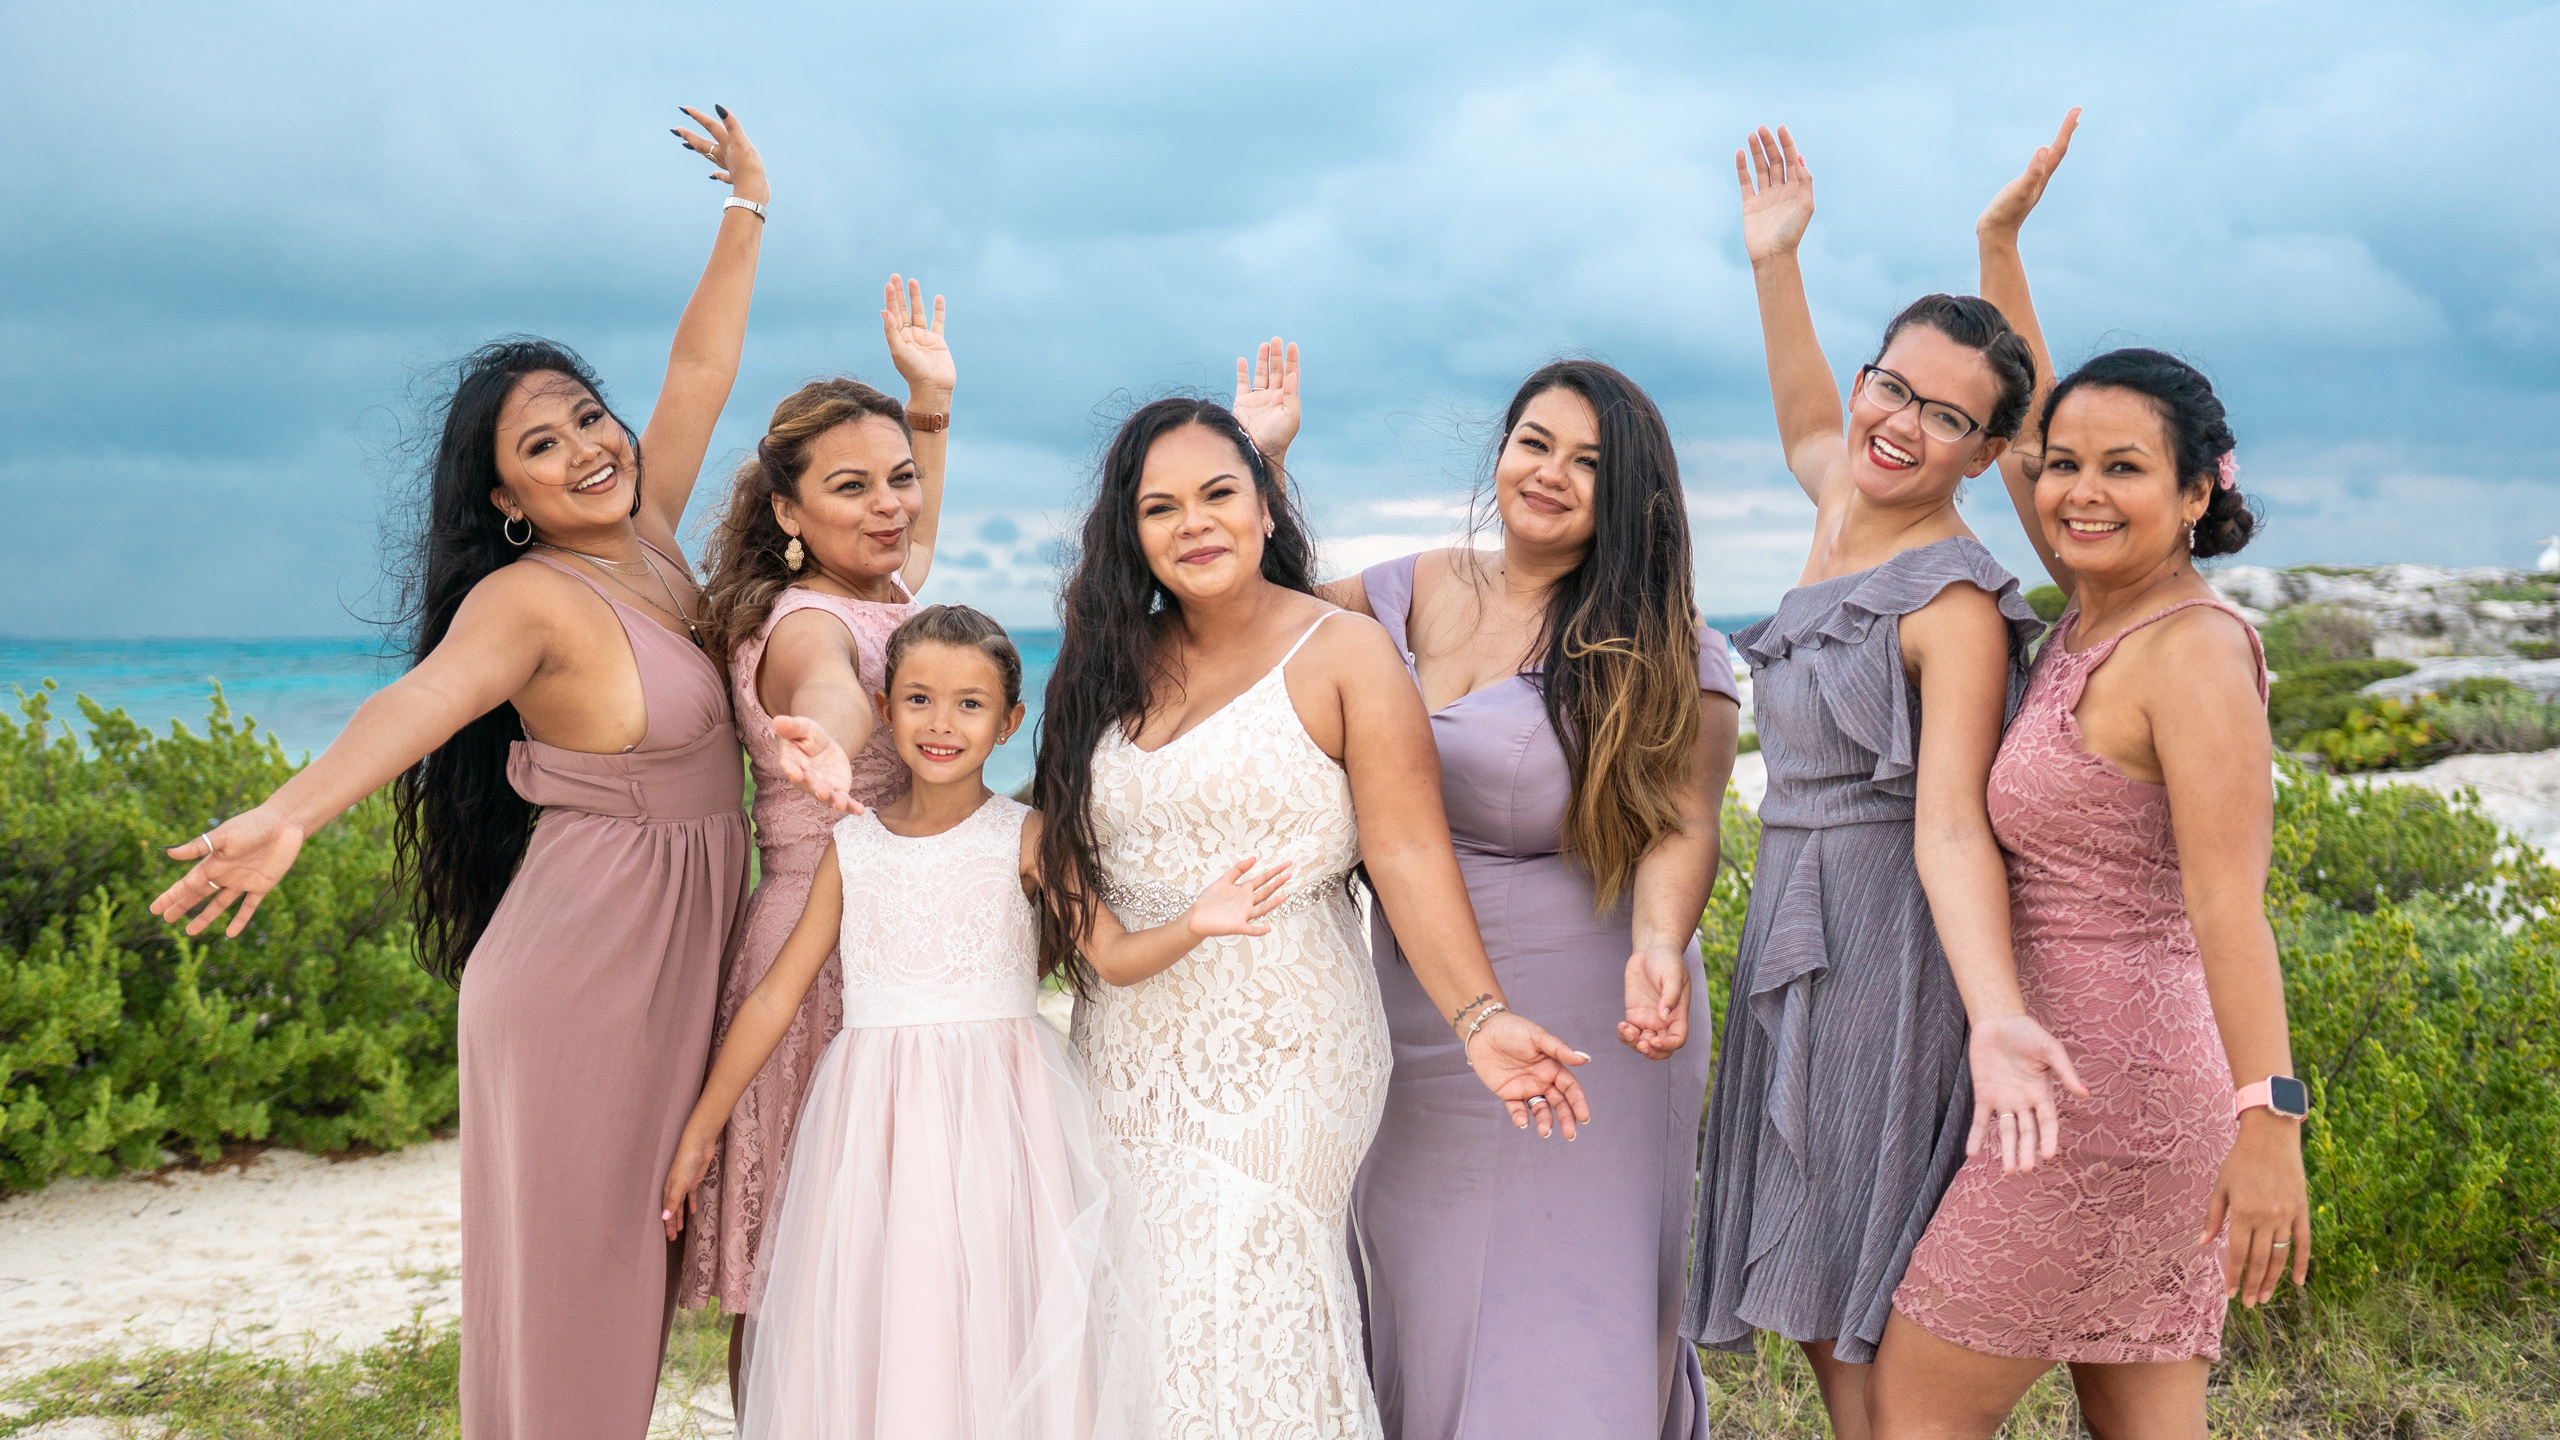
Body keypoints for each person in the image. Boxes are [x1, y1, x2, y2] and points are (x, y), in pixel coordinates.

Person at [145, 105, 768, 1439]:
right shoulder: (530, 602)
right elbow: (420, 703)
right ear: (507, 503)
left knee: (650, 1279)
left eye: (587, 419)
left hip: (680, 951)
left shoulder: (651, 539)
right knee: (580, 1299)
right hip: (584, 978)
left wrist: (748, 210)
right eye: (540, 448)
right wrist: (288, 814)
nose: (588, 449)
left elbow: (703, 366)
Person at [1034, 395, 1598, 1438]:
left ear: (1264, 508)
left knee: (1252, 1310)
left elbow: (1409, 849)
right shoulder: (1104, 660)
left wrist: (1480, 1019)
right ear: (1129, 531)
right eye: (1161, 508)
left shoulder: (1343, 652)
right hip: (1127, 1048)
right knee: (1140, 1319)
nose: (1194, 524)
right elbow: (1057, 840)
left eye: (1218, 494)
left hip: (1286, 1049)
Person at [1873, 127, 2311, 1439]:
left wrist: (2273, 1122)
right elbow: (2037, 437)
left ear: (2196, 497)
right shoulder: (2093, 610)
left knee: (1914, 1419)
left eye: (2126, 470)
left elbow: (2231, 906)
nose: (2078, 490)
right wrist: (2000, 253)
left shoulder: (2190, 654)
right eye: (2066, 463)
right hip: (2067, 1082)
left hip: (2109, 1107)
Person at [1249, 345, 1743, 1437]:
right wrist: (1266, 465)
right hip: (1414, 1010)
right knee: (1415, 1283)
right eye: (1534, 443)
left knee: (1561, 1313)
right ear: (1501, 451)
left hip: (1588, 1015)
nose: (1551, 473)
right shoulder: (1406, 586)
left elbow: (1682, 820)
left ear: (1633, 496)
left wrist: (1662, 941)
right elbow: (1253, 624)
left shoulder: (1669, 650)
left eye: (1590, 463)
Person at [1682, 121, 2083, 1440]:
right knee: (1808, 1284)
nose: (1900, 425)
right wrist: (1777, 262)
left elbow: (1958, 831)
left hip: (1887, 951)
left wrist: (1995, 1017)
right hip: (1795, 920)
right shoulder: (1835, 498)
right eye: (1892, 388)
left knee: (1853, 1274)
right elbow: (1806, 410)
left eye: (1947, 417)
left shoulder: (1955, 600)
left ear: (1986, 452)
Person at [663, 604, 1243, 1438]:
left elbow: (1109, 957)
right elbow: (773, 997)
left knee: (1002, 1305)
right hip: (873, 1120)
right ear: (885, 707)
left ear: (1010, 722)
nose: (942, 723)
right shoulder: (851, 848)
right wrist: (701, 1130)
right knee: (888, 1311)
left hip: (1002, 1114)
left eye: (970, 704)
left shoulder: (1030, 838)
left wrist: (1196, 922)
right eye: (919, 699)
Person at [680, 278, 955, 1396]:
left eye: (900, 479)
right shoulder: (805, 625)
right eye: (852, 488)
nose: (890, 505)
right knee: (805, 1257)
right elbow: (829, 690)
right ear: (788, 513)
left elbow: (914, 544)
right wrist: (831, 744)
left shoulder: (882, 587)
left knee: (876, 1254)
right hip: (820, 952)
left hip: (886, 937)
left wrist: (928, 400)